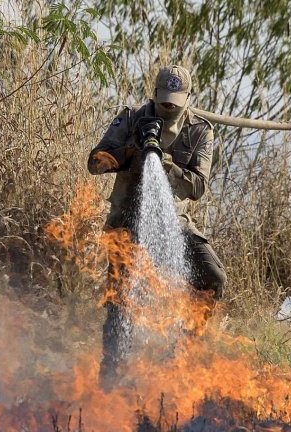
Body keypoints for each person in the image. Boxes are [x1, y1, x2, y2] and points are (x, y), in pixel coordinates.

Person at [87, 65, 227, 381]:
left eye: (174, 103)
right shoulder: (132, 117)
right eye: (163, 101)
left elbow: (198, 187)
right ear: (155, 95)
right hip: (126, 220)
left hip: (173, 222)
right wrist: (132, 150)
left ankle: (182, 354)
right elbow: (94, 163)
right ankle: (111, 375)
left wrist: (165, 163)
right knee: (120, 300)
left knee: (213, 276)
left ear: (187, 99)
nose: (168, 108)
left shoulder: (200, 130)